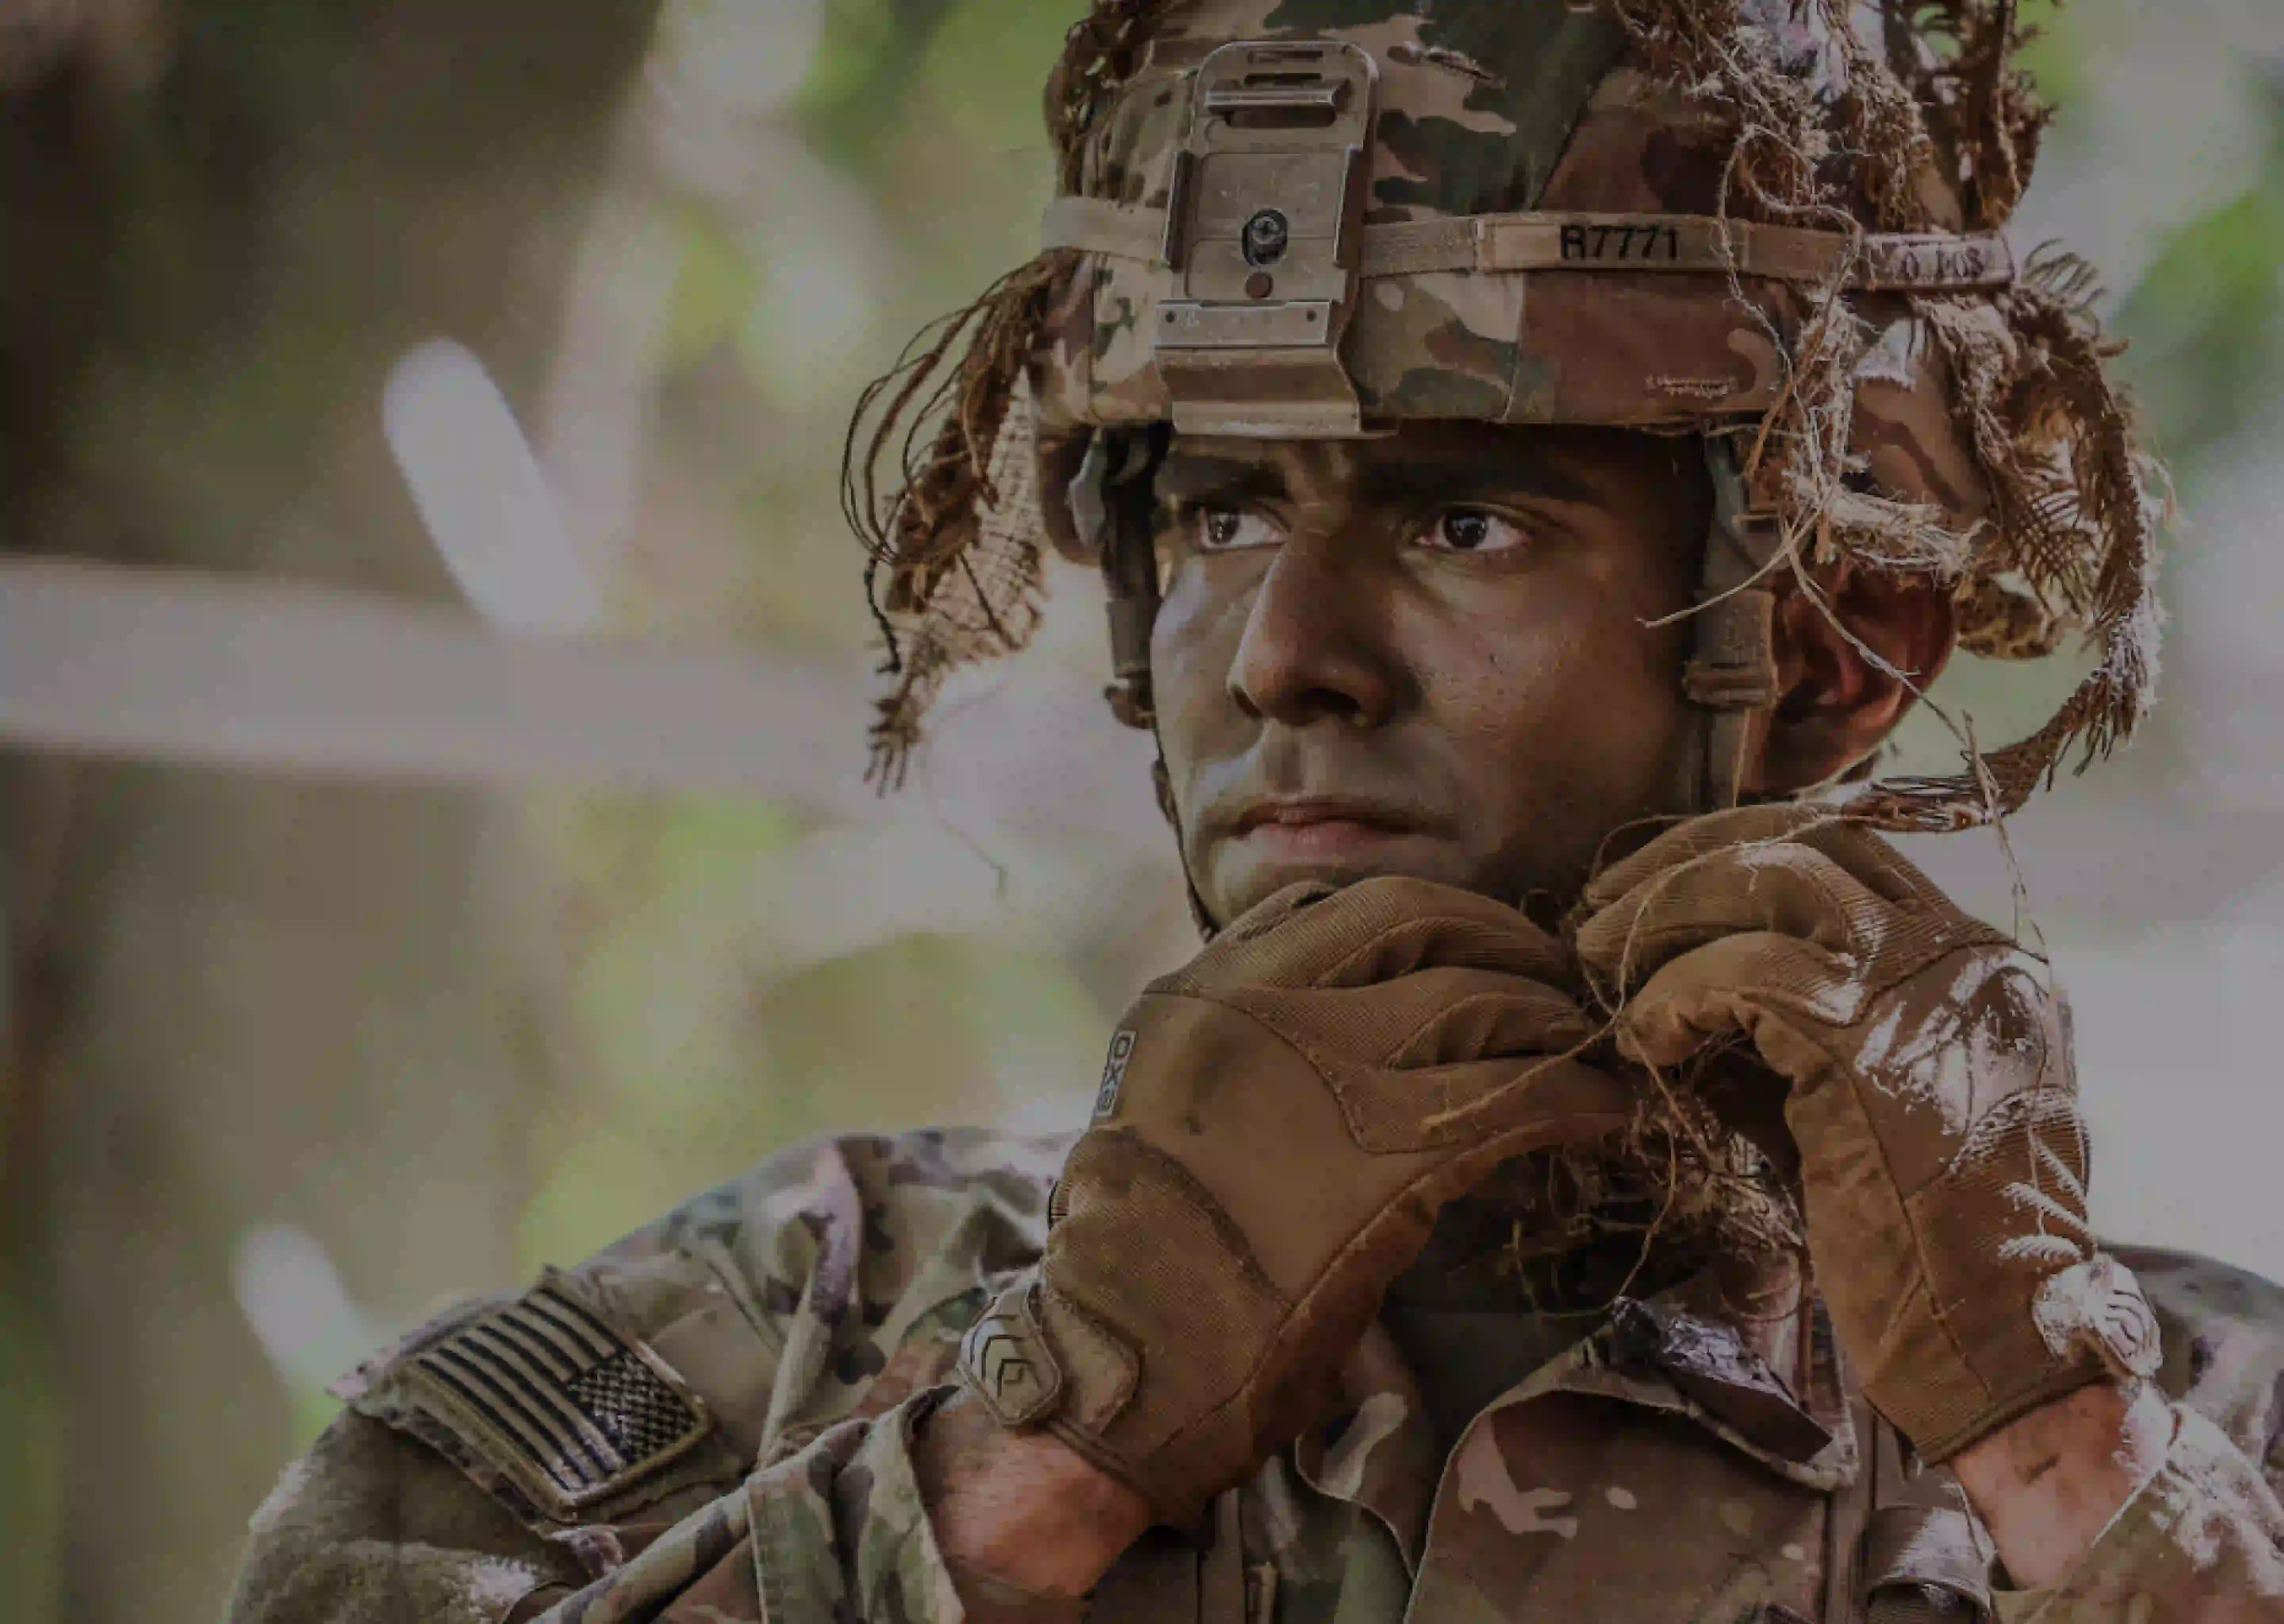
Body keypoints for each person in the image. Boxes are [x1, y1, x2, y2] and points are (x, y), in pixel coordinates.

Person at [228, 2, 2284, 1620]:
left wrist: (2069, 1466)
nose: (1289, 651)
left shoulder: (2200, 1430)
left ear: (1837, 643)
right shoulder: (745, 1349)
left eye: (1465, 518)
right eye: (1217, 512)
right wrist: (1029, 1469)